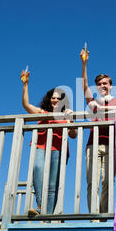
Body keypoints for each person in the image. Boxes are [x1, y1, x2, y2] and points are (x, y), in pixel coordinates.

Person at [20, 69, 77, 216]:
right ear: (49, 100)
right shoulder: (42, 113)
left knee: (52, 184)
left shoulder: (66, 115)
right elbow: (26, 105)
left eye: (59, 98)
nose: (55, 100)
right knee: (37, 168)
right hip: (40, 146)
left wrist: (71, 119)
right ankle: (40, 205)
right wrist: (25, 85)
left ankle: (48, 216)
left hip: (58, 148)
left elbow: (73, 135)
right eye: (53, 98)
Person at [80, 47, 116, 216]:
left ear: (111, 86)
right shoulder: (93, 100)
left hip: (111, 145)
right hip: (93, 144)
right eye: (99, 84)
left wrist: (99, 111)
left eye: (105, 83)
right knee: (92, 181)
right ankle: (93, 214)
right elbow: (84, 86)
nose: (102, 86)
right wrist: (84, 64)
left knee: (107, 180)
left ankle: (103, 215)